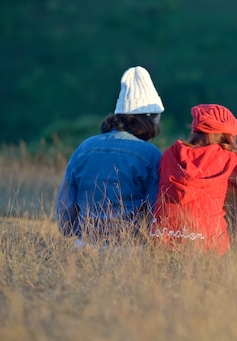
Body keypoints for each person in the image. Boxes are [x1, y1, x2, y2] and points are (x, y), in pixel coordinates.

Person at [55, 66, 164, 246]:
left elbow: (65, 206)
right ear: (150, 117)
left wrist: (75, 232)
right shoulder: (151, 155)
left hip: (85, 246)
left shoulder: (85, 147)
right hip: (132, 249)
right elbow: (155, 211)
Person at [150, 104, 237, 256]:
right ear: (227, 134)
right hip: (209, 243)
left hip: (162, 239)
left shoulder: (170, 154)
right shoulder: (231, 160)